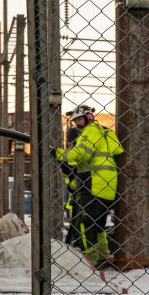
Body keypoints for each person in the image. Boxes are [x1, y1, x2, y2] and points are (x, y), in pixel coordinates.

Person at [53, 105, 123, 266]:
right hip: (105, 187)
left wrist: (60, 154)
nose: (77, 123)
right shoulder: (103, 132)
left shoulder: (90, 132)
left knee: (84, 223)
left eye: (79, 119)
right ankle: (102, 256)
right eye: (75, 121)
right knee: (97, 225)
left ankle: (88, 260)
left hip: (94, 185)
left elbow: (79, 154)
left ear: (89, 117)